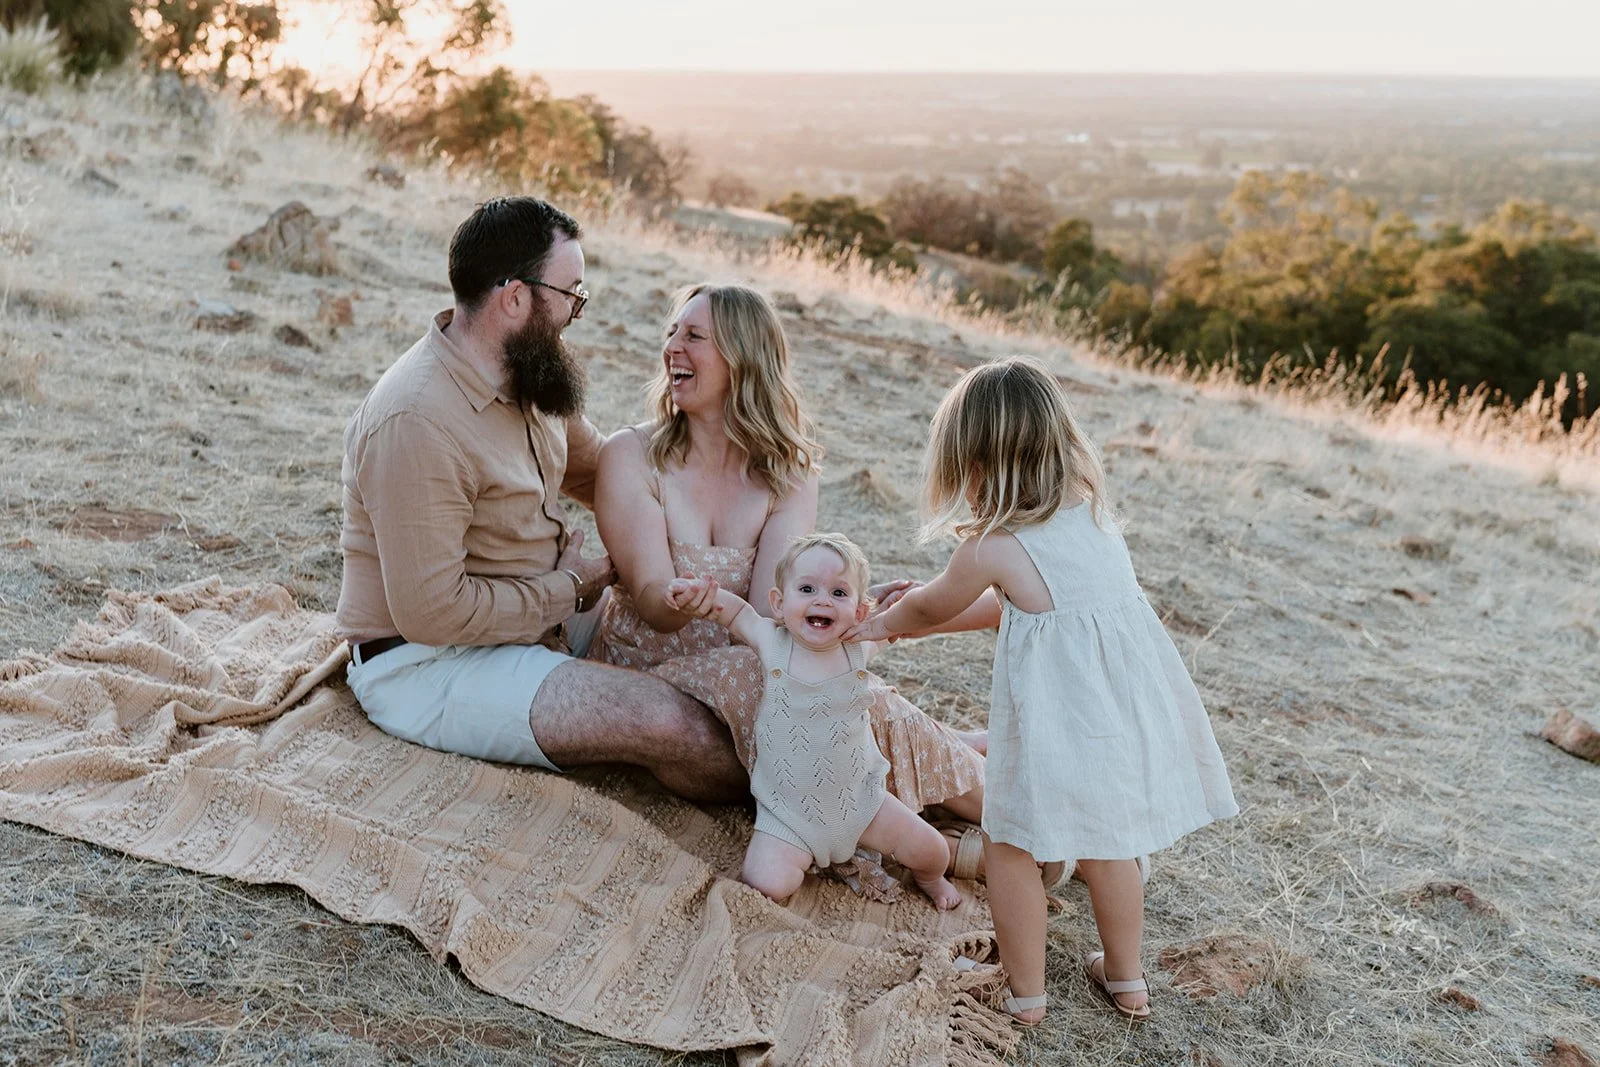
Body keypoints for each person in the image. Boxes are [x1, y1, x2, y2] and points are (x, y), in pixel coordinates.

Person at [848, 356, 1239, 1024]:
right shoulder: (1092, 517)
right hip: (1120, 712)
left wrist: (884, 623)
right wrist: (920, 615)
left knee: (1011, 844)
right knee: (1108, 841)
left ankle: (1023, 992)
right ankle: (1127, 979)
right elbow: (1023, 606)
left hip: (1058, 721)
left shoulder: (993, 544)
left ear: (974, 460)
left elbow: (933, 606)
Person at [335, 196, 746, 802]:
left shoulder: (523, 374)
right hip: (430, 663)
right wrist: (571, 588)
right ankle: (823, 813)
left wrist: (719, 487)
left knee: (731, 663)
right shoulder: (416, 420)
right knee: (682, 724)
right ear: (516, 297)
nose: (575, 313)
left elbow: (602, 470)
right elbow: (433, 613)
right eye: (571, 293)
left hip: (538, 622)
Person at [589, 283, 990, 859]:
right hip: (654, 663)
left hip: (754, 653)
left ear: (743, 359)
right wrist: (686, 598)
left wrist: (839, 606)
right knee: (806, 682)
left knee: (821, 680)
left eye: (693, 336)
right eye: (671, 332)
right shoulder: (632, 455)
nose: (672, 347)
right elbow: (652, 598)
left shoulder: (789, 472)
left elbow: (770, 611)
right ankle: (985, 813)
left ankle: (1004, 818)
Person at [666, 533, 961, 910]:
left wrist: (902, 608)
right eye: (807, 588)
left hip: (862, 804)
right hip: (788, 813)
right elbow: (737, 613)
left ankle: (931, 880)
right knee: (767, 882)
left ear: (858, 613)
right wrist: (699, 596)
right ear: (779, 603)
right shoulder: (773, 642)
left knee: (934, 852)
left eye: (839, 593)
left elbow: (896, 625)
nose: (822, 600)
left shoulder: (858, 645)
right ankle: (800, 856)